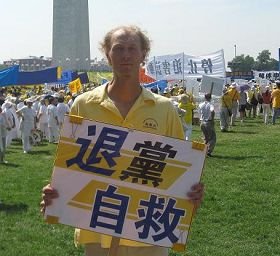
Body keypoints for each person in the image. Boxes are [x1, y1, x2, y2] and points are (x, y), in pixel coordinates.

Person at [40, 25, 204, 256]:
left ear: (143, 54)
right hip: (96, 229)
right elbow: (70, 164)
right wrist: (55, 191)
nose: (125, 55)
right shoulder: (83, 105)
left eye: (132, 48)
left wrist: (191, 191)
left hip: (147, 230)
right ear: (107, 54)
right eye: (118, 49)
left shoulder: (163, 109)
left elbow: (179, 167)